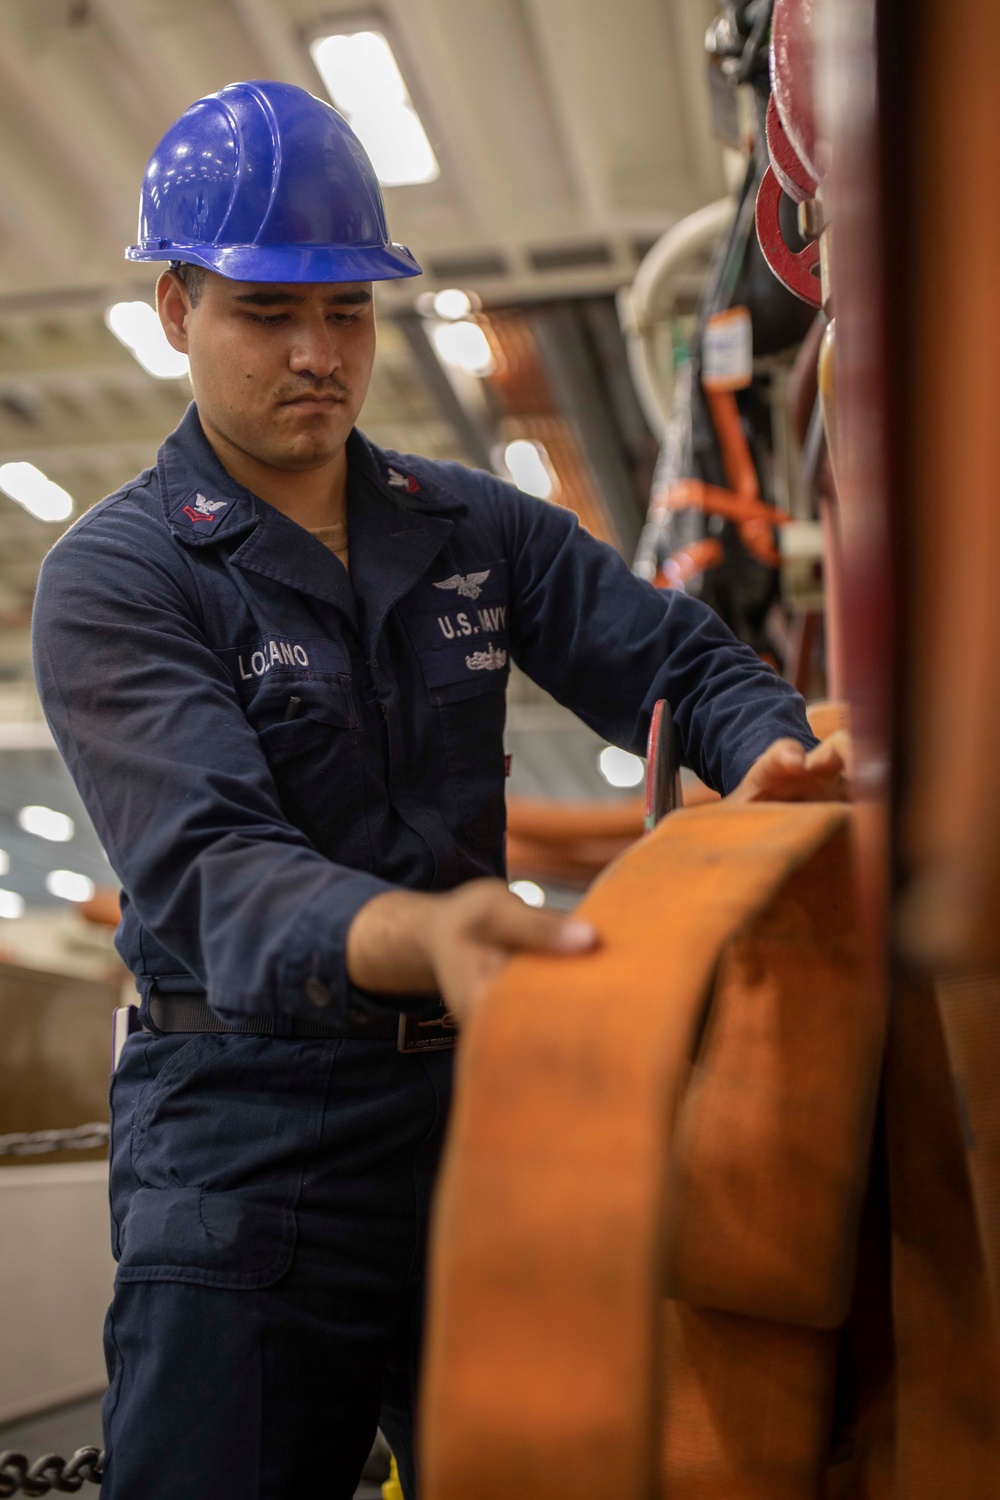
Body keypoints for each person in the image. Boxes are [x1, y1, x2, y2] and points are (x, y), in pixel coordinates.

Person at [32, 80, 847, 1500]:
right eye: (266, 314)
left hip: (476, 1124)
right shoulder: (119, 579)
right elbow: (219, 875)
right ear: (175, 308)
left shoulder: (465, 525)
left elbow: (677, 661)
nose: (316, 355)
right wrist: (437, 936)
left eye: (346, 311)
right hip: (245, 1152)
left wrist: (772, 751)